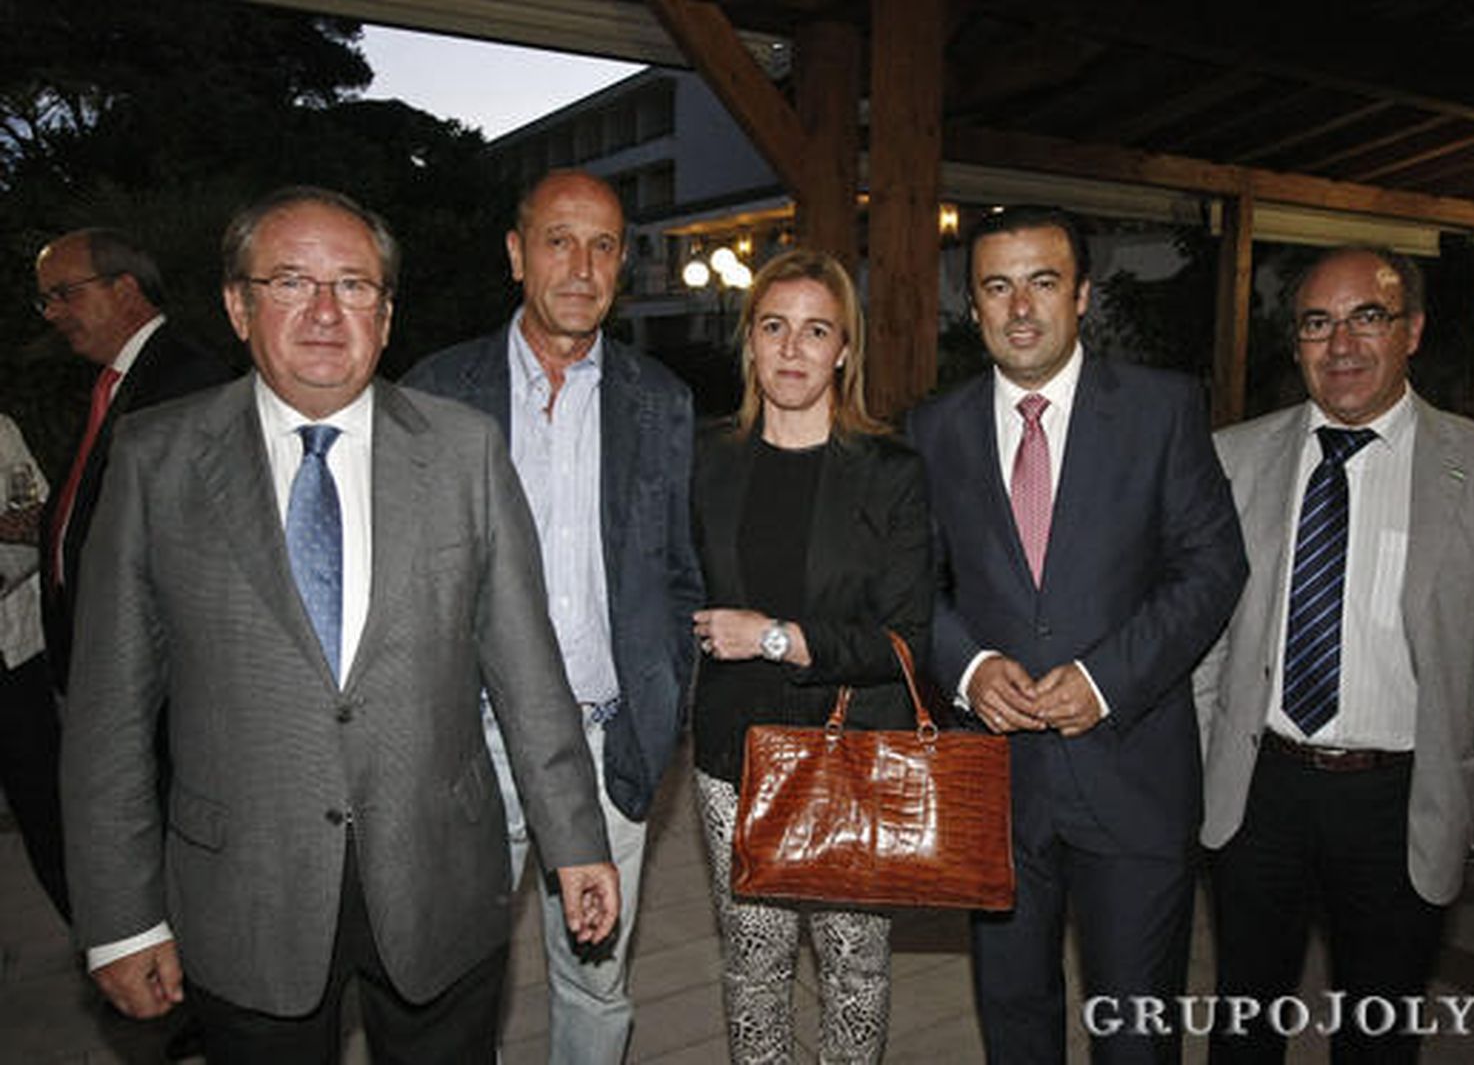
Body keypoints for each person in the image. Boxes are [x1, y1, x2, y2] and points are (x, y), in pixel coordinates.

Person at [59, 186, 620, 1065]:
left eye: (354, 286)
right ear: (239, 306)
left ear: (387, 315)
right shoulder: (155, 462)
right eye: (290, 282)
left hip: (441, 882)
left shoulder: (465, 451)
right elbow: (107, 716)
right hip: (243, 892)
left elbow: (527, 669)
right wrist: (120, 919)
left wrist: (576, 841)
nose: (325, 311)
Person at [1195, 245, 1474, 1063]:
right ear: (1296, 344)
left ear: (1414, 331)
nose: (1343, 345)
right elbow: (1206, 637)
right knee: (1243, 1024)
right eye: (1318, 324)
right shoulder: (1232, 458)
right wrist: (1200, 762)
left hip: (1403, 796)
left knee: (1381, 1029)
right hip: (1259, 791)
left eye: (1369, 317)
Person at [905, 205, 1247, 1064]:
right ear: (973, 306)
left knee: (1135, 1033)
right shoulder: (932, 430)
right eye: (998, 285)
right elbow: (906, 584)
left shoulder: (1163, 409)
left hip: (1132, 776)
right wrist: (971, 666)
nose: (1021, 307)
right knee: (1014, 1019)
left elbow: (1211, 568)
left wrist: (1103, 681)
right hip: (998, 787)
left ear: (1083, 295)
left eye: (1043, 282)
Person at [404, 168, 701, 1064]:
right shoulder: (434, 392)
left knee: (596, 978)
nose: (581, 265)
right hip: (470, 742)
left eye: (604, 245)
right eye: (558, 240)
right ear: (515, 254)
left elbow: (681, 572)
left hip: (608, 743)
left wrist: (664, 696)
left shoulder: (663, 402)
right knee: (457, 977)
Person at [690, 248, 932, 1064]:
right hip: (734, 756)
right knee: (753, 965)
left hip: (852, 753)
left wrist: (775, 636)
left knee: (854, 965)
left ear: (844, 351)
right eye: (774, 328)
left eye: (815, 330)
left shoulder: (891, 472)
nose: (793, 349)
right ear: (750, 343)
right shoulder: (709, 459)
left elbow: (907, 639)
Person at [35, 228, 238, 702]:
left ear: (124, 289)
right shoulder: (117, 383)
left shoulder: (186, 380)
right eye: (45, 300)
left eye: (64, 294)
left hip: (155, 684)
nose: (51, 314)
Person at [0, 416, 61, 913]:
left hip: (15, 657)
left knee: (44, 810)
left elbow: (41, 517)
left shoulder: (1, 431)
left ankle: (95, 939)